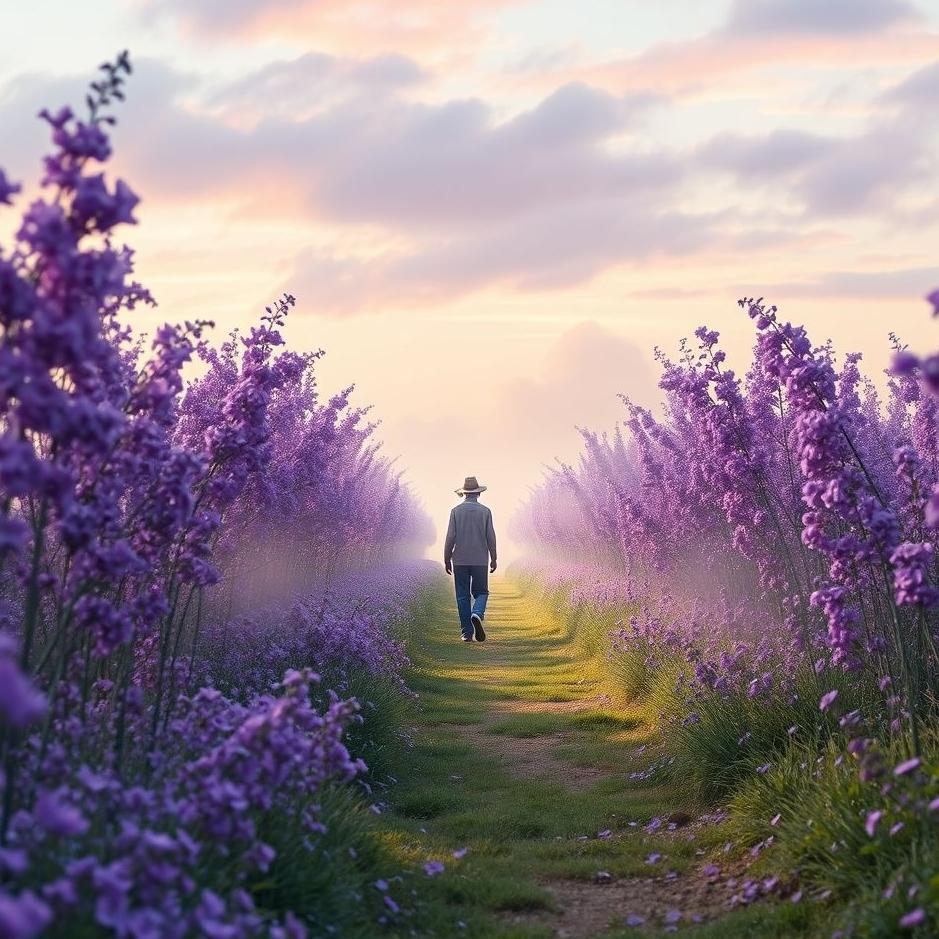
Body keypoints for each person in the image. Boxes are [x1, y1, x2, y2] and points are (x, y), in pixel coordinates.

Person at [444, 476, 497, 642]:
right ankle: (477, 613)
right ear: (478, 494)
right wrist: (494, 558)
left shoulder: (455, 511)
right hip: (480, 559)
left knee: (462, 595)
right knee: (481, 592)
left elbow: (450, 537)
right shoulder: (486, 512)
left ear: (464, 493)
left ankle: (466, 633)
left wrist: (446, 558)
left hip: (459, 559)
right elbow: (491, 537)